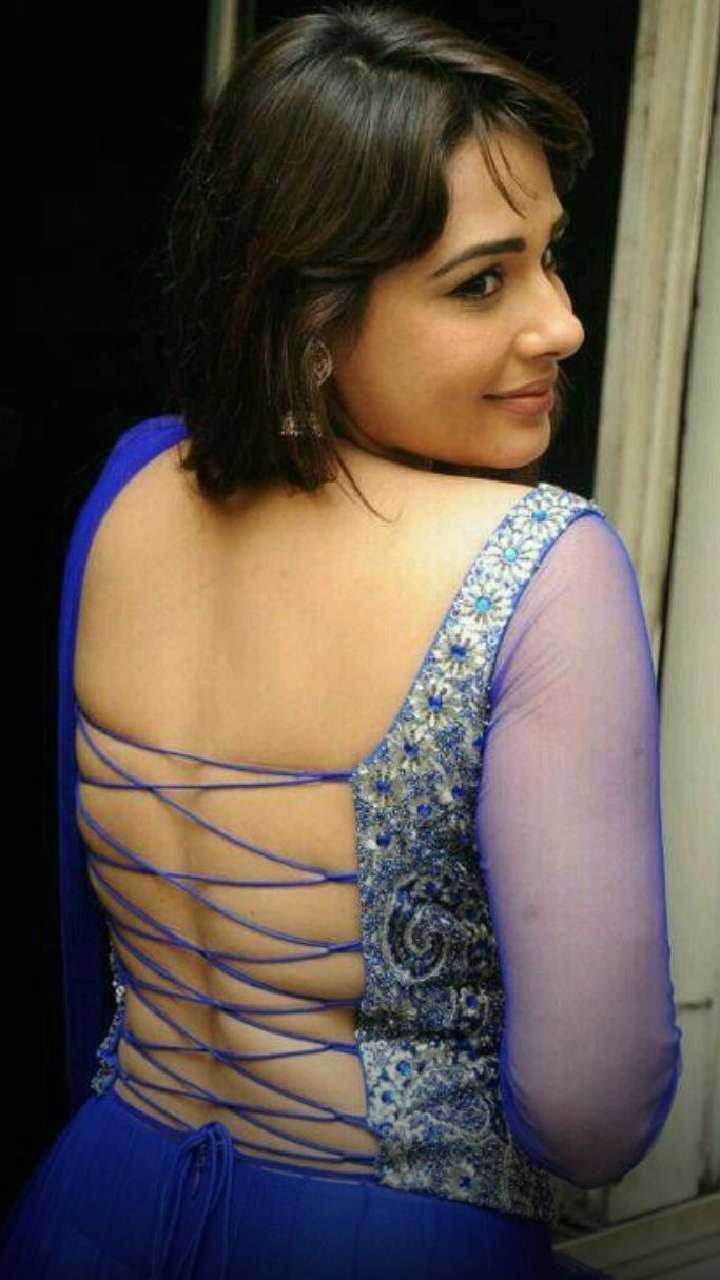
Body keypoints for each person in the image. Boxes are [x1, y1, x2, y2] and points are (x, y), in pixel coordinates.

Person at [0, 4, 682, 1277]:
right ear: (310, 313)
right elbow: (593, 1111)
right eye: (481, 281)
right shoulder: (541, 563)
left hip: (85, 1208)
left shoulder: (131, 489)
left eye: (549, 256)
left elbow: (81, 954)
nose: (562, 323)